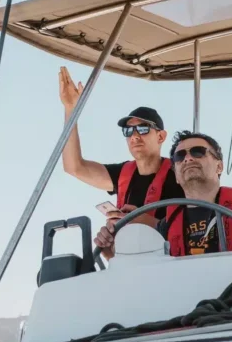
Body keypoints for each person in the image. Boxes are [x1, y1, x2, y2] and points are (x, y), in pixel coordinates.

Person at [95, 130, 232, 257]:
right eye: (180, 156)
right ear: (176, 175)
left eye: (198, 152)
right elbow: (141, 271)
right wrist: (109, 248)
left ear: (219, 166)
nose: (188, 158)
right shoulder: (166, 226)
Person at [58, 66, 184, 245]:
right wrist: (71, 109)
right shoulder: (123, 174)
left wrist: (141, 221)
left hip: (174, 258)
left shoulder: (181, 173)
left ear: (161, 136)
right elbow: (74, 167)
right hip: (128, 259)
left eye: (142, 128)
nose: (134, 136)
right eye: (128, 131)